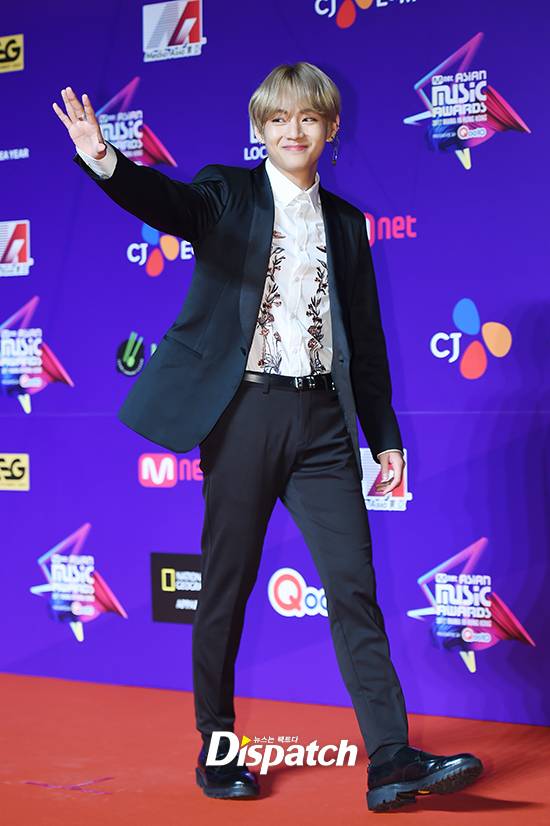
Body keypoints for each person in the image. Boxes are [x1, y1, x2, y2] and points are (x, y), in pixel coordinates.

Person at [53, 62, 483, 812]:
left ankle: (390, 759)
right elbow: (166, 203)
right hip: (243, 414)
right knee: (226, 586)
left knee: (354, 588)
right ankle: (218, 748)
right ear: (261, 128)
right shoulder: (227, 192)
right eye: (279, 118)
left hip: (323, 426)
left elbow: (366, 342)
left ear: (330, 128)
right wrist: (103, 157)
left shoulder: (347, 224)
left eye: (308, 118)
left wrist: (383, 436)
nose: (293, 130)